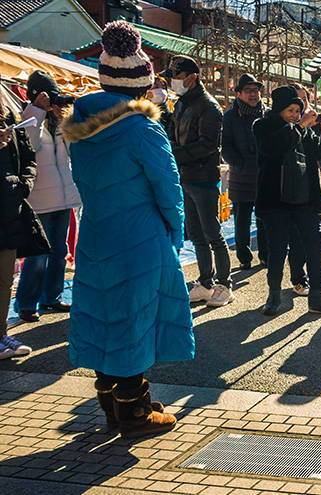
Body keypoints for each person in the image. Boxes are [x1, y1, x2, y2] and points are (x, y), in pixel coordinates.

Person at [61, 20, 194, 437]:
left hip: (98, 228)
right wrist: (175, 231)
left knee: (107, 310)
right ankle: (134, 409)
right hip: (140, 234)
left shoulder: (80, 127)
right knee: (137, 316)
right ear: (142, 85)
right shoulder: (143, 128)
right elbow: (168, 187)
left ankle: (110, 396)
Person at [252, 87, 321, 317]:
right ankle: (273, 294)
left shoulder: (306, 131)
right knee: (278, 248)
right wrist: (300, 126)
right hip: (276, 199)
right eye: (290, 110)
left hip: (305, 198)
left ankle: (318, 296)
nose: (294, 114)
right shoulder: (263, 126)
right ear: (279, 109)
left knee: (314, 244)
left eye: (298, 110)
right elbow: (274, 148)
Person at [163, 55, 233, 307]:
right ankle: (205, 282)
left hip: (203, 177)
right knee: (195, 233)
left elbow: (207, 144)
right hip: (186, 176)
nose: (173, 82)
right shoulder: (181, 104)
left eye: (177, 77)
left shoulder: (209, 106)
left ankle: (225, 284)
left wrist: (175, 153)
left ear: (192, 78)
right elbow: (172, 132)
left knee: (212, 231)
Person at [13, 70, 81, 323]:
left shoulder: (61, 122)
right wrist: (36, 111)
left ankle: (51, 297)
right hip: (39, 201)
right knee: (37, 254)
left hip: (64, 197)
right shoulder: (27, 119)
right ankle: (27, 303)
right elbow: (27, 147)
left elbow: (74, 152)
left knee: (59, 251)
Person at [0, 103, 41, 359]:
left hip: (8, 210)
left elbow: (28, 157)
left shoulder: (9, 114)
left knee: (5, 280)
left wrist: (23, 185)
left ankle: (1, 333)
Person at [222, 73, 267, 271]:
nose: (253, 94)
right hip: (241, 176)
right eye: (248, 90)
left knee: (265, 217)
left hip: (265, 174)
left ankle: (265, 254)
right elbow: (226, 147)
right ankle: (244, 256)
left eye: (256, 90)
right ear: (238, 93)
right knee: (241, 219)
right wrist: (239, 164)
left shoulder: (267, 113)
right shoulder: (230, 116)